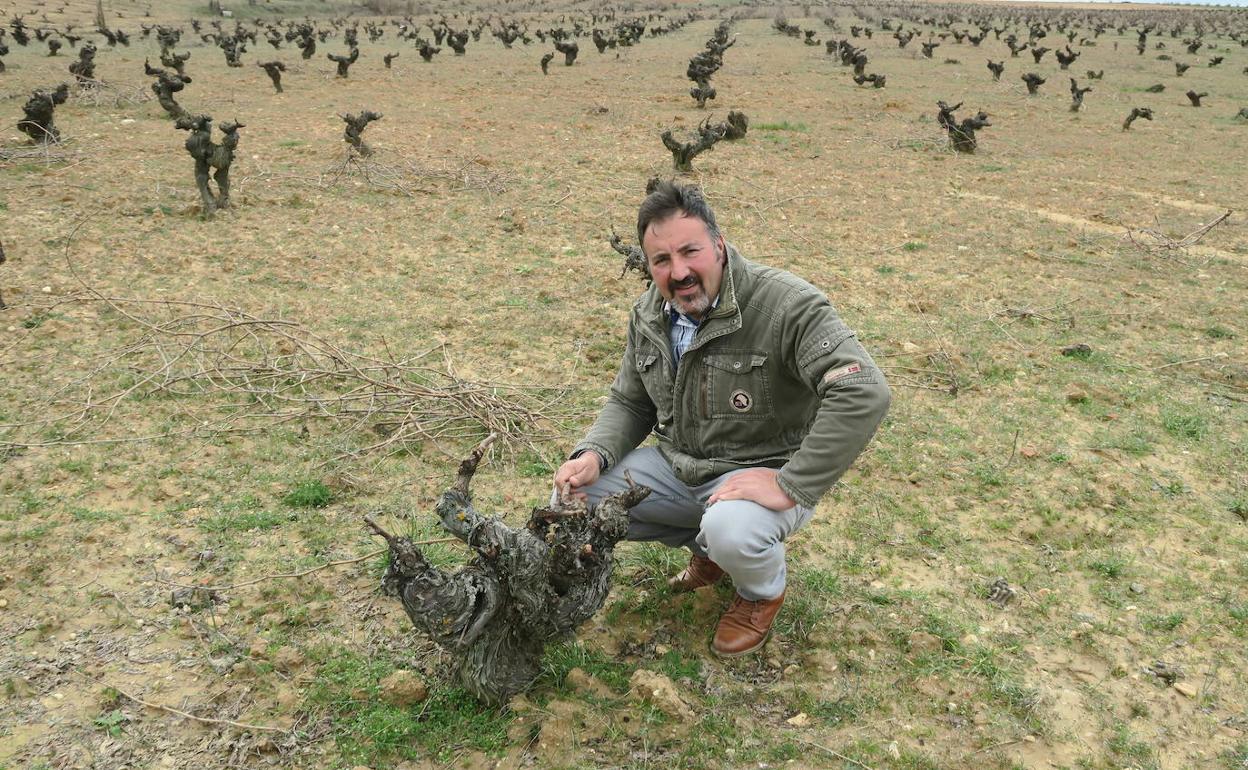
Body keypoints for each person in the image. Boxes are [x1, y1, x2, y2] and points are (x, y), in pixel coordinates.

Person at [554, 181, 890, 657]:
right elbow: (631, 401)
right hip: (683, 466)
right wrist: (594, 453)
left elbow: (863, 390)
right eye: (662, 261)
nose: (680, 271)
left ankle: (760, 594)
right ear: (648, 266)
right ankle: (709, 556)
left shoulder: (787, 304)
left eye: (691, 251)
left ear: (719, 244)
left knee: (733, 529)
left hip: (764, 471)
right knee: (572, 497)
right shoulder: (650, 312)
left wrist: (789, 484)